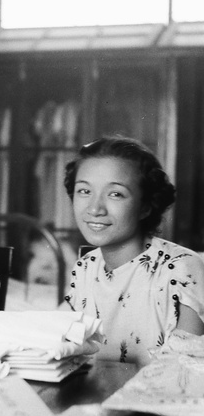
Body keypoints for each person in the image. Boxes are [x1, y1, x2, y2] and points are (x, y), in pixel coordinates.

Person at [62, 135, 204, 366]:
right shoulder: (86, 266)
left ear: (146, 206)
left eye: (115, 194)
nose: (95, 208)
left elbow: (183, 372)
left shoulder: (181, 268)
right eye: (84, 191)